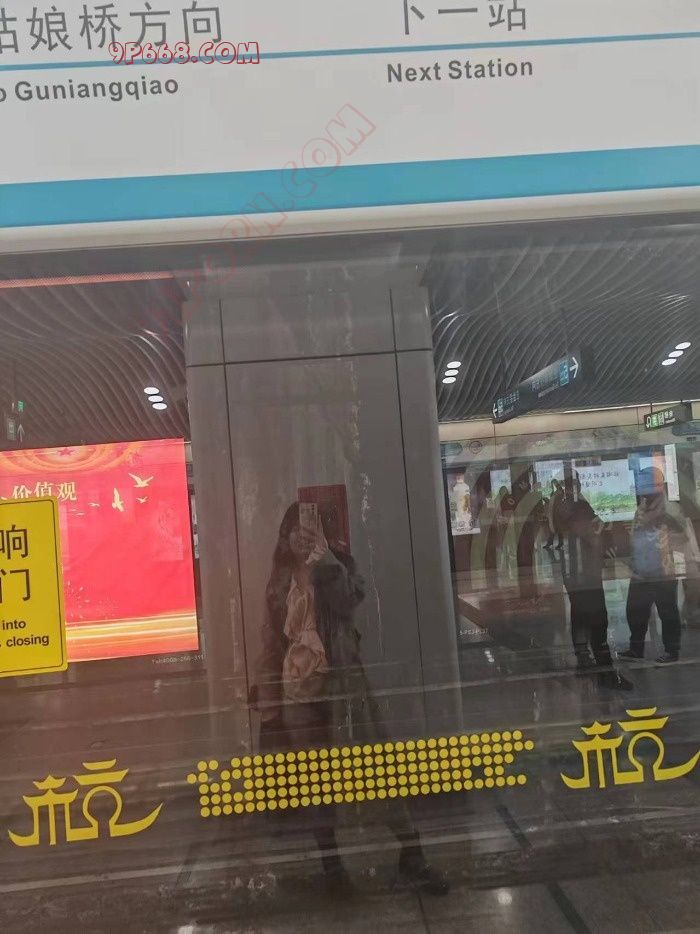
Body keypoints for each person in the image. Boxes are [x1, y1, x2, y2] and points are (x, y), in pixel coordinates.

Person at [252, 502, 449, 896]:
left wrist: (324, 559)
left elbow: (348, 599)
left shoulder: (338, 566)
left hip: (343, 692)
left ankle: (412, 856)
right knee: (317, 785)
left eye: (308, 527)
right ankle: (333, 868)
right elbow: (271, 643)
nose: (300, 534)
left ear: (322, 533)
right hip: (298, 697)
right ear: (284, 535)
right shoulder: (278, 582)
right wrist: (268, 699)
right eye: (293, 527)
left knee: (377, 773)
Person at [559, 474, 633, 690]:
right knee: (598, 626)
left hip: (577, 580)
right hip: (586, 581)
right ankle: (606, 675)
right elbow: (595, 536)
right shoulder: (579, 510)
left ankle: (586, 661)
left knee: (582, 621)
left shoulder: (566, 510)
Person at [620, 467, 698, 663]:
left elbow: (683, 538)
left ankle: (672, 650)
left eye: (645, 483)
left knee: (667, 611)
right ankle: (636, 648)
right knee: (635, 610)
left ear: (658, 485)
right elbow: (635, 536)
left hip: (663, 571)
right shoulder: (641, 508)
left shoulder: (670, 509)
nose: (640, 488)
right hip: (641, 572)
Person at [544, 479, 565, 550]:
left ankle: (558, 543)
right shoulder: (554, 493)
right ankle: (551, 542)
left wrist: (556, 483)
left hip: (558, 512)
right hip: (553, 512)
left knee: (558, 528)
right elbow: (552, 502)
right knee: (553, 528)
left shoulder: (559, 492)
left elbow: (560, 494)